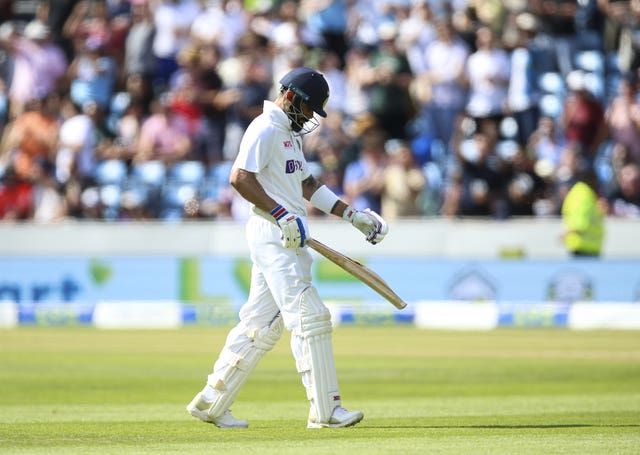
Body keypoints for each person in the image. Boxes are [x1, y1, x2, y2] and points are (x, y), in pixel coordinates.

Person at [186, 66, 388, 429]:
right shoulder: (264, 128)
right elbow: (239, 177)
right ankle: (326, 412)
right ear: (292, 97)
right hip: (275, 234)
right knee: (310, 316)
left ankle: (211, 401)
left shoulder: (289, 135)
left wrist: (352, 215)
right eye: (310, 108)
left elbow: (307, 185)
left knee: (261, 326)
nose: (311, 117)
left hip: (286, 234)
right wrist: (281, 214)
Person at [561, 169, 605, 257]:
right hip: (585, 247)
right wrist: (570, 232)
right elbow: (580, 221)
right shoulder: (584, 194)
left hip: (582, 245)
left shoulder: (579, 192)